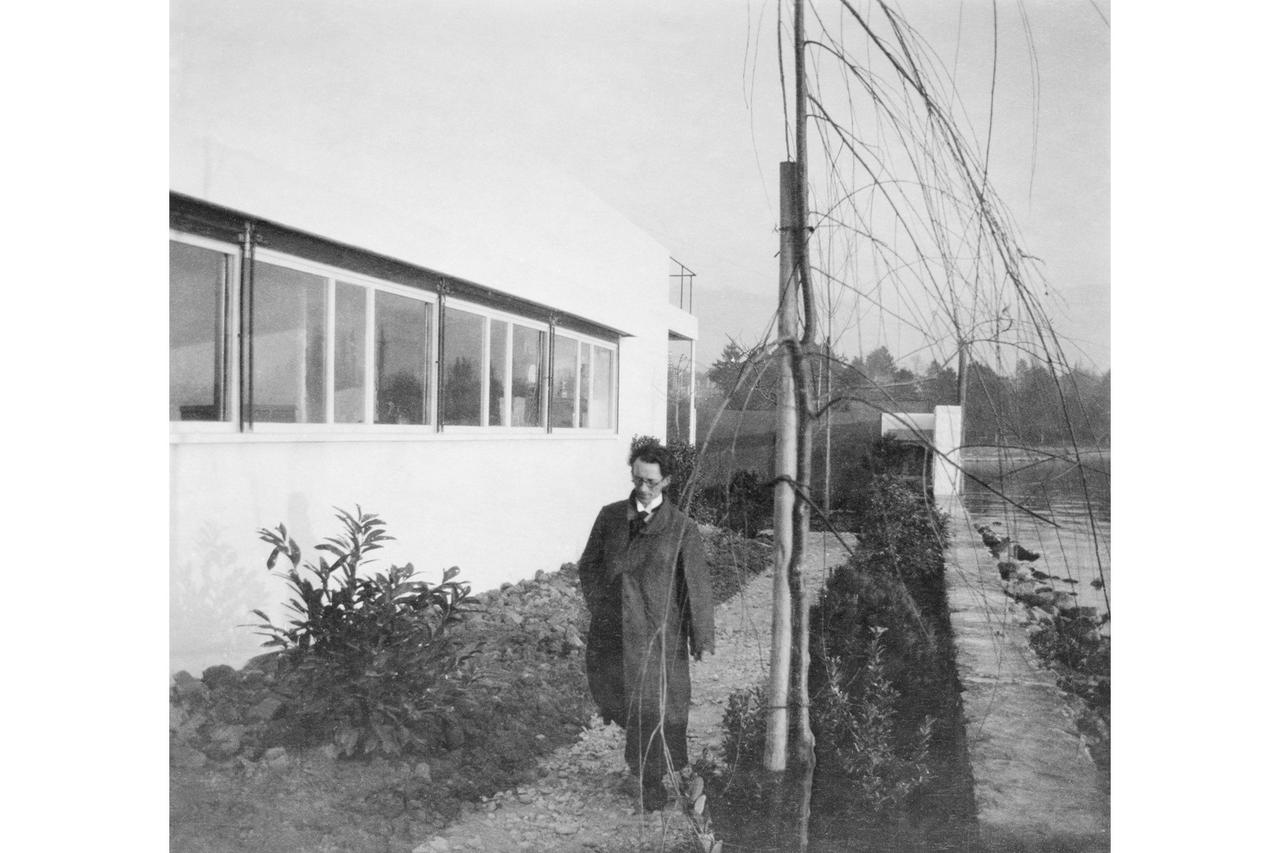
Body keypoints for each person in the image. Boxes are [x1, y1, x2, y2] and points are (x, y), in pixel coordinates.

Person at [577, 443, 715, 811]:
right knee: (625, 702)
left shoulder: (682, 528)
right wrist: (603, 608)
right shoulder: (609, 517)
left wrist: (701, 636)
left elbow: (697, 586)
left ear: (666, 481)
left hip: (660, 632)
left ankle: (654, 780)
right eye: (637, 479)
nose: (643, 489)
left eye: (651, 482)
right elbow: (587, 565)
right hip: (617, 633)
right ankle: (649, 770)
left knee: (662, 707)